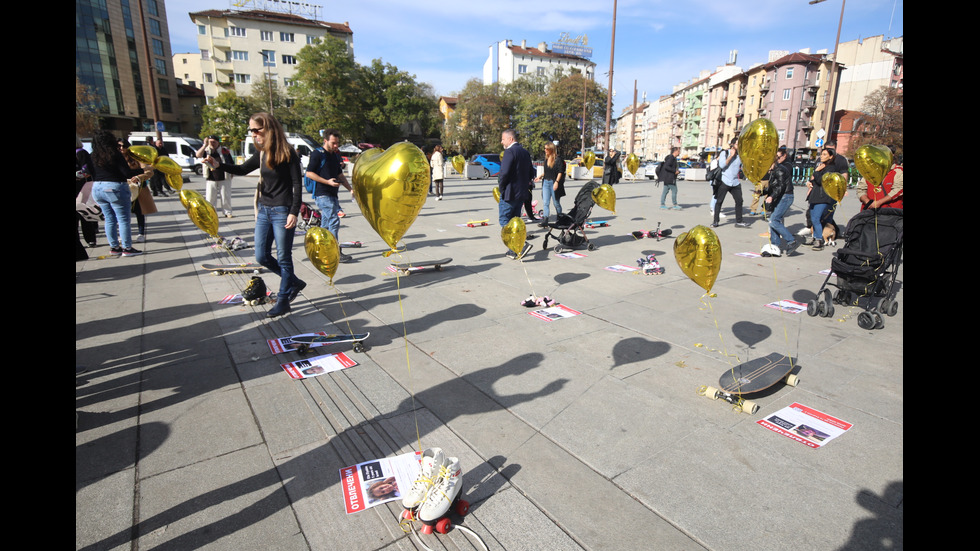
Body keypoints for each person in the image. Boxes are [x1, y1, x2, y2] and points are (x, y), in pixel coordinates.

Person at [212, 112, 306, 317]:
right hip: (264, 209)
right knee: (261, 256)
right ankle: (294, 282)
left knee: (283, 257)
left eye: (257, 130)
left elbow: (297, 184)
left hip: (282, 211)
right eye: (251, 130)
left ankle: (283, 300)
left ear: (269, 128)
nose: (254, 134)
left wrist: (294, 212)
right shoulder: (262, 153)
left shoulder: (287, 152)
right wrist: (219, 165)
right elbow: (242, 169)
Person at [89, 129, 144, 256]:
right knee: (123, 219)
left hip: (97, 187)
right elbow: (126, 173)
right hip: (115, 187)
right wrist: (143, 170)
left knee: (109, 219)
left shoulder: (93, 155)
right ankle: (127, 248)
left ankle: (114, 247)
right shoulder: (114, 154)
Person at [305, 129, 354, 263]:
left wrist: (350, 189)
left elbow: (340, 175)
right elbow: (309, 173)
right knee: (334, 220)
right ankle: (334, 252)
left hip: (332, 194)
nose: (336, 146)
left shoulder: (334, 155)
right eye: (333, 143)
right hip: (322, 194)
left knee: (326, 224)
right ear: (325, 140)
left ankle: (320, 249)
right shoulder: (317, 154)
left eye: (337, 143)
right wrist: (327, 182)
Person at [497, 129, 534, 257]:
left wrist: (501, 188)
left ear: (510, 139)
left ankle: (521, 245)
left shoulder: (510, 152)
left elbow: (504, 173)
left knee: (505, 221)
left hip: (509, 193)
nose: (502, 142)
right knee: (515, 221)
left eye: (503, 139)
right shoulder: (525, 152)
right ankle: (514, 250)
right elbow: (531, 172)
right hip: (521, 193)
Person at [805, 147, 844, 250]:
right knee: (813, 218)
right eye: (821, 154)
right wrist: (810, 182)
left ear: (831, 156)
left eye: (825, 154)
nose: (821, 156)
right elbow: (815, 181)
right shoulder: (823, 166)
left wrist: (816, 171)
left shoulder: (831, 168)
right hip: (815, 195)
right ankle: (815, 237)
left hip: (822, 197)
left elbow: (821, 181)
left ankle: (819, 240)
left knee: (817, 218)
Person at [762, 147, 798, 256]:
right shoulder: (774, 170)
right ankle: (775, 245)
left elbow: (781, 186)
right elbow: (774, 186)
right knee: (773, 220)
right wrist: (762, 192)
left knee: (774, 220)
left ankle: (791, 241)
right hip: (781, 196)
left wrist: (771, 196)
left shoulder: (780, 170)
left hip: (786, 196)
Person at [713, 137, 748, 228]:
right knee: (719, 201)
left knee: (739, 201)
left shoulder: (740, 155)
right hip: (725, 181)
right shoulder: (724, 153)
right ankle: (716, 221)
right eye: (737, 144)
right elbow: (722, 165)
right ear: (732, 144)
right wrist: (731, 156)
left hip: (735, 182)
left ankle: (739, 221)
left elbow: (744, 167)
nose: (739, 145)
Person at [197, 135, 235, 218]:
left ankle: (227, 212)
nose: (212, 143)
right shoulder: (206, 150)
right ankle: (211, 212)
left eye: (214, 142)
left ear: (218, 142)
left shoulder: (224, 150)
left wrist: (232, 173)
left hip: (224, 176)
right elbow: (198, 155)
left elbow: (231, 162)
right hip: (211, 178)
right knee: (210, 197)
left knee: (226, 196)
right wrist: (204, 145)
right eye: (210, 142)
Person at [534, 142, 566, 225]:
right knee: (545, 202)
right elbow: (547, 172)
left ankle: (560, 218)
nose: (545, 150)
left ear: (551, 149)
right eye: (544, 148)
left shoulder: (558, 159)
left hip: (553, 182)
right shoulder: (546, 159)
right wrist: (540, 176)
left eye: (546, 149)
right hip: (546, 183)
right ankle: (545, 220)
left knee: (556, 203)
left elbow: (560, 172)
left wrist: (557, 182)